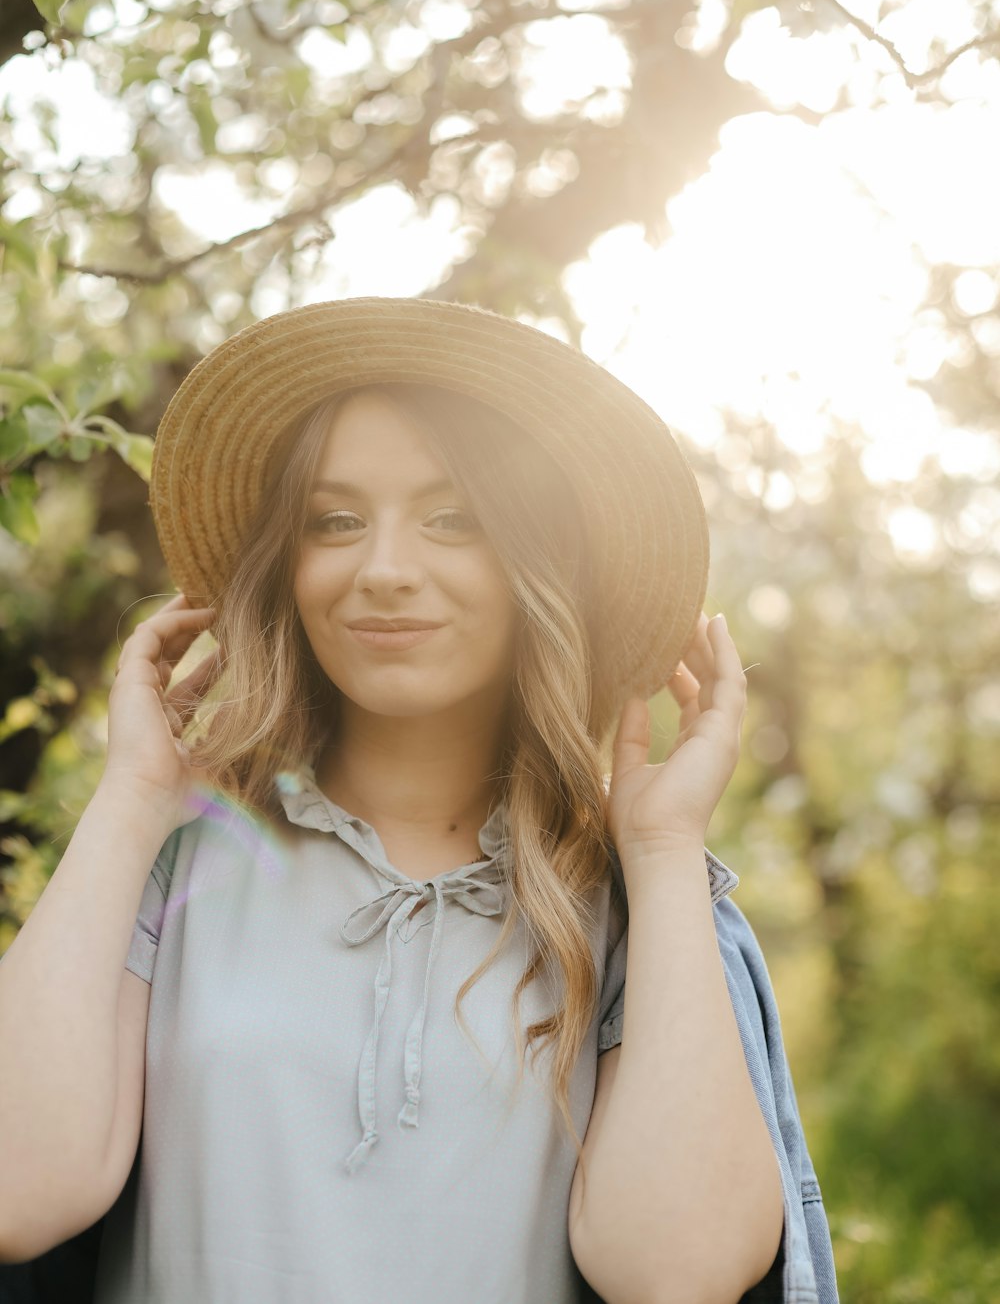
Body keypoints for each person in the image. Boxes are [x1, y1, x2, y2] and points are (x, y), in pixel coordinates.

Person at [0, 296, 839, 1304]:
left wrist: (660, 857)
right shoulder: (170, 864)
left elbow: (678, 1272)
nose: (384, 570)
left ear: (541, 566)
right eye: (335, 520)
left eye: (454, 519)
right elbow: (16, 1194)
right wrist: (131, 800)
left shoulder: (640, 917)